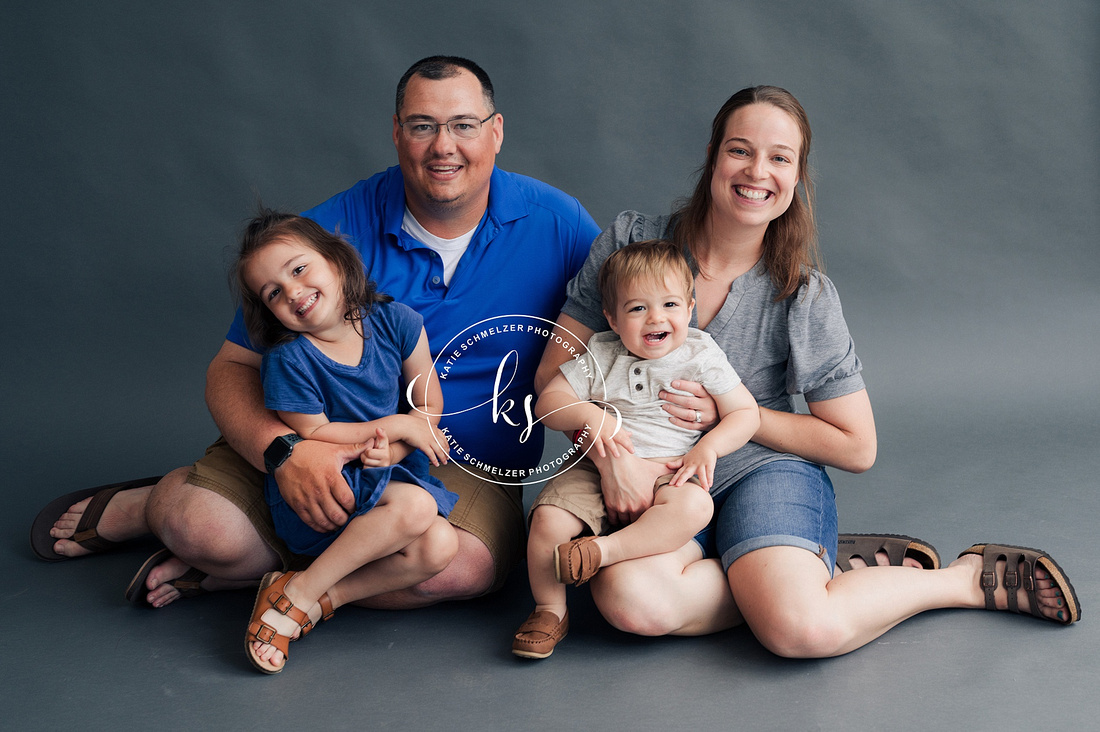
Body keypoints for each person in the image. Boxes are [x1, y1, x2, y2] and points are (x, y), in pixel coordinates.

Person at [33, 56, 600, 612]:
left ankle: (273, 581)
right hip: (319, 438)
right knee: (198, 528)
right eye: (422, 126)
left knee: (459, 569)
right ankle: (157, 508)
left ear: (496, 132)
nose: (443, 146)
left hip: (461, 456)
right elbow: (230, 368)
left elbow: (637, 320)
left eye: (463, 125)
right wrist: (284, 454)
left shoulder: (559, 222)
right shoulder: (327, 235)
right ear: (397, 135)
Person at [533, 85, 1080, 657]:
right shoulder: (631, 243)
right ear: (714, 158)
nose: (757, 172)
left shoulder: (802, 293)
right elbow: (554, 376)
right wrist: (609, 454)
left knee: (801, 631)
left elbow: (856, 446)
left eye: (779, 158)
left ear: (796, 179)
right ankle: (786, 570)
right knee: (629, 603)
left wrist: (731, 413)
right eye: (739, 150)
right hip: (652, 479)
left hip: (758, 471)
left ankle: (959, 579)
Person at [235, 210, 459, 672]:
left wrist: (395, 450)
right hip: (327, 487)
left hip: (385, 474)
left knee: (440, 548)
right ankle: (296, 595)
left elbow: (427, 403)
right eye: (273, 293)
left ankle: (316, 599)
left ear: (337, 261)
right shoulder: (289, 360)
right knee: (417, 509)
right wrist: (395, 429)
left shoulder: (398, 322)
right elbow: (313, 433)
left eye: (298, 269)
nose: (293, 292)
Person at [513, 240, 760, 659]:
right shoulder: (600, 354)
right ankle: (549, 609)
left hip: (671, 469)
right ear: (611, 317)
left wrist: (710, 448)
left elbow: (746, 414)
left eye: (669, 304)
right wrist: (592, 417)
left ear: (689, 306)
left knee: (695, 507)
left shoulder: (700, 353)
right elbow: (547, 404)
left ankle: (601, 552)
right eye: (637, 308)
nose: (656, 318)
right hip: (597, 468)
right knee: (548, 520)